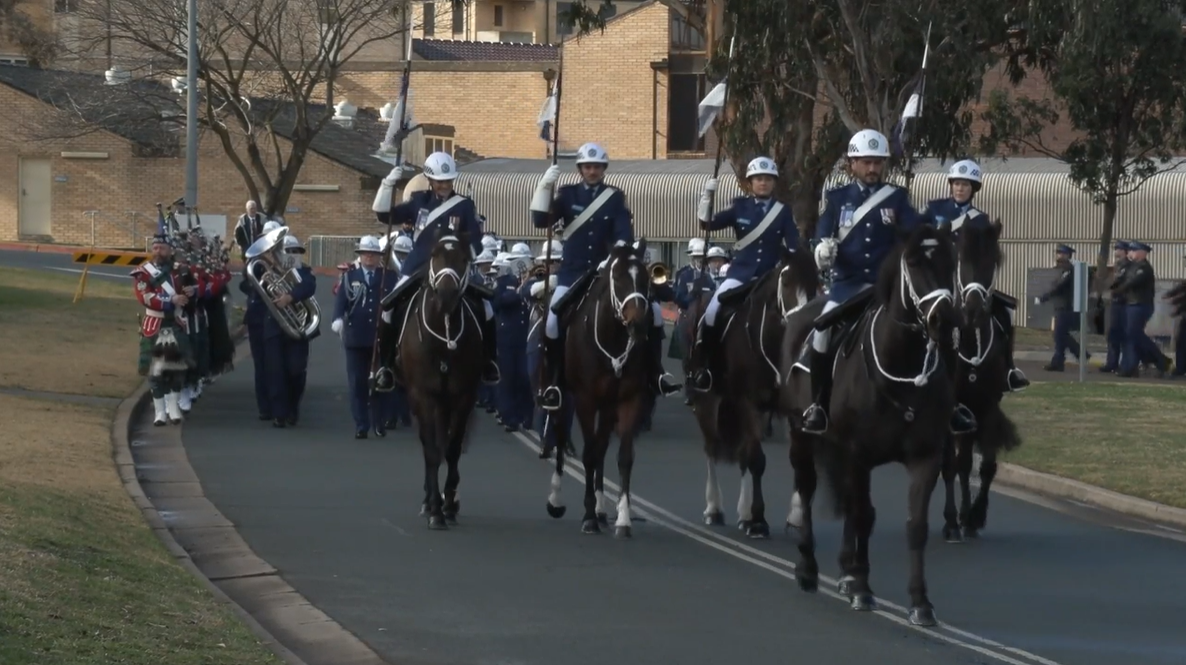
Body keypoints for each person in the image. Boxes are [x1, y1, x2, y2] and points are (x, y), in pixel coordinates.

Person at [807, 129, 976, 436]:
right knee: (822, 333)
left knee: (942, 330)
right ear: (852, 163)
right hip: (847, 286)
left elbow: (913, 230)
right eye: (867, 162)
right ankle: (818, 404)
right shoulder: (836, 198)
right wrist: (821, 249)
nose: (873, 169)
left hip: (887, 288)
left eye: (878, 163)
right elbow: (822, 232)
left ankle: (950, 405)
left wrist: (933, 229)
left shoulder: (896, 197)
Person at [372, 152, 498, 386]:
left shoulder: (464, 205)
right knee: (388, 307)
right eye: (440, 181)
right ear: (430, 180)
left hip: (454, 269)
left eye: (448, 181)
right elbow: (384, 215)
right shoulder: (418, 201)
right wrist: (387, 184)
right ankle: (386, 365)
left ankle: (489, 360)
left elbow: (476, 240)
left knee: (487, 307)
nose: (444, 185)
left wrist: (466, 255)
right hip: (418, 266)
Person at [528, 142, 636, 410]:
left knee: (647, 314)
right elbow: (541, 221)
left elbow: (624, 232)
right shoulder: (567, 196)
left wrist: (619, 252)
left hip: (603, 272)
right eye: (588, 167)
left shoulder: (613, 197)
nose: (592, 171)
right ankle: (553, 380)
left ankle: (649, 375)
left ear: (603, 169)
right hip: (573, 273)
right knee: (552, 324)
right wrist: (543, 189)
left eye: (597, 167)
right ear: (580, 169)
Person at [686, 156, 800, 393]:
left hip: (770, 277)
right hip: (740, 274)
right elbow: (707, 224)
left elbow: (792, 244)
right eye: (758, 179)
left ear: (774, 182)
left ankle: (792, 371)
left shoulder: (783, 211)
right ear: (750, 182)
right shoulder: (739, 207)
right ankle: (704, 365)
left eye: (768, 179)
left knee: (795, 314)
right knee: (712, 311)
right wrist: (705, 199)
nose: (763, 183)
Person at [923, 159, 1029, 392]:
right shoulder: (934, 209)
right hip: (938, 277)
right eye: (957, 183)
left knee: (1006, 312)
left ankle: (1009, 369)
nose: (960, 189)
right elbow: (917, 239)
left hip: (967, 279)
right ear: (951, 185)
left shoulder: (980, 219)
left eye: (966, 185)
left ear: (974, 189)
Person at [332, 236, 397, 439]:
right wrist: (337, 319)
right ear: (360, 256)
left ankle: (379, 423)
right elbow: (341, 301)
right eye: (366, 253)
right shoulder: (350, 277)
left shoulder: (390, 277)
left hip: (381, 338)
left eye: (374, 254)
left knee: (381, 383)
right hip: (355, 336)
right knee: (357, 383)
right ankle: (361, 424)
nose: (369, 257)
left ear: (379, 256)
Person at [132, 234, 193, 426]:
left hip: (175, 323)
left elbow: (190, 290)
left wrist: (192, 292)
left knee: (177, 368)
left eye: (163, 248)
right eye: (156, 247)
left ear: (170, 250)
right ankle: (159, 412)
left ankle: (173, 408)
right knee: (155, 370)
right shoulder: (143, 272)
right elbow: (145, 297)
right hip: (155, 324)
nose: (158, 251)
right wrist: (170, 300)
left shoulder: (179, 271)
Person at [263, 233, 319, 428]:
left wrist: (290, 297)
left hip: (297, 328)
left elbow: (310, 286)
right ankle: (279, 414)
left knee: (296, 371)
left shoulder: (304, 272)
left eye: (296, 252)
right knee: (275, 372)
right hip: (274, 328)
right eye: (288, 252)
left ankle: (293, 407)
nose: (292, 255)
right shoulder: (270, 271)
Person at [492, 248, 533, 432]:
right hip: (507, 336)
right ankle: (509, 417)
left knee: (525, 377)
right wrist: (519, 292)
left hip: (525, 333)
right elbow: (499, 302)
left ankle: (527, 415)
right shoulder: (503, 282)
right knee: (508, 377)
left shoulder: (533, 279)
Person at [1115, 241, 1167, 378]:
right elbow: (1120, 279)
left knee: (1134, 334)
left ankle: (1159, 359)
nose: (1130, 253)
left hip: (1140, 305)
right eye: (1130, 250)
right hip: (1130, 304)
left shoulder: (1144, 268)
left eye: (1133, 250)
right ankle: (1131, 366)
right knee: (1131, 337)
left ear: (1142, 253)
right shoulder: (1131, 266)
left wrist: (1117, 290)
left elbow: (1132, 283)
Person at [1035, 244, 1085, 371]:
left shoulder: (1068, 270)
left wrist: (1043, 298)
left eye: (1062, 254)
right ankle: (1061, 361)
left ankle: (1077, 354)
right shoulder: (1057, 270)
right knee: (1060, 334)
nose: (1059, 256)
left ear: (1068, 256)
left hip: (1065, 306)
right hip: (1058, 305)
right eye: (1058, 253)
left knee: (1059, 334)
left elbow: (1059, 287)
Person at [1100, 240, 1131, 373]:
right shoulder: (1117, 266)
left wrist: (1108, 289)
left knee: (1122, 335)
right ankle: (1111, 362)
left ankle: (1124, 364)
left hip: (1123, 304)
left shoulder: (1127, 266)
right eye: (1116, 249)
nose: (1116, 252)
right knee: (1112, 334)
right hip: (1115, 303)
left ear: (1125, 252)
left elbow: (1118, 284)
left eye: (1119, 249)